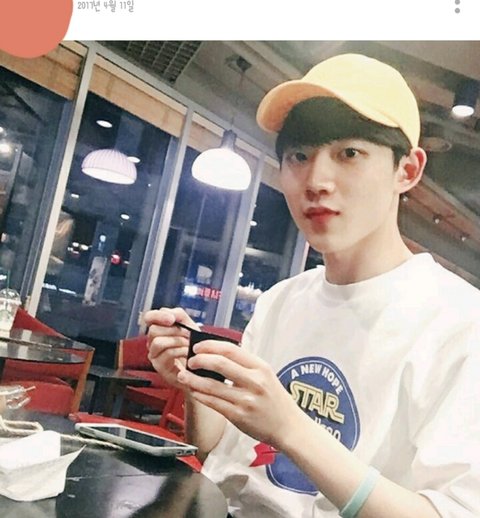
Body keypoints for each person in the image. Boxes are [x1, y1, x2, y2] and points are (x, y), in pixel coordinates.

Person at [144, 54, 480, 517]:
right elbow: (219, 453)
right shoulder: (282, 300)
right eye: (299, 156)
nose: (317, 181)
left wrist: (292, 428)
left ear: (407, 170)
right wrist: (193, 379)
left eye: (349, 153)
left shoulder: (461, 323)